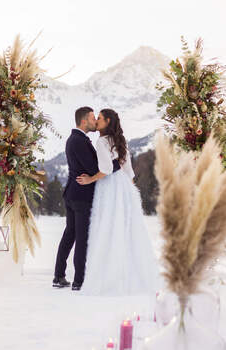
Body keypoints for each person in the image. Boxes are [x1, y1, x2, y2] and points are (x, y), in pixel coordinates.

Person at [77, 108, 159, 296]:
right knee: (126, 229)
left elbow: (105, 169)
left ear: (107, 122)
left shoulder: (102, 141)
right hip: (123, 186)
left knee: (109, 227)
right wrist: (129, 193)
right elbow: (129, 171)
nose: (96, 121)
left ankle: (110, 276)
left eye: (99, 118)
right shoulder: (120, 141)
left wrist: (89, 179)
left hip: (109, 187)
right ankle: (131, 275)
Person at [53, 107, 120, 290]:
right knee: (81, 239)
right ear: (84, 121)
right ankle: (79, 281)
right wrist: (116, 163)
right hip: (81, 196)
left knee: (70, 235)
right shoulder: (78, 141)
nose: (94, 121)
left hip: (74, 193)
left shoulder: (77, 139)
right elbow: (93, 168)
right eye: (92, 118)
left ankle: (59, 276)